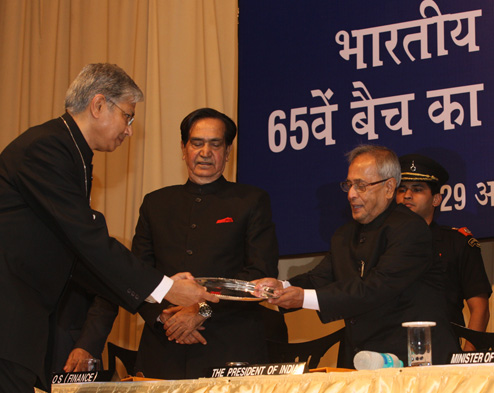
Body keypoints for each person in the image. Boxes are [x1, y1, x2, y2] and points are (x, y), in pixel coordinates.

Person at [0, 63, 218, 393]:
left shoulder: (70, 151)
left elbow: (77, 256)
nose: (129, 129)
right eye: (128, 116)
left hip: (5, 322)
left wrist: (155, 301)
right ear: (99, 105)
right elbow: (87, 240)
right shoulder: (47, 148)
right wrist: (164, 287)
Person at [254, 145, 460, 368]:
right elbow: (319, 278)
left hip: (412, 364)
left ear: (389, 187)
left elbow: (373, 289)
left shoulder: (411, 230)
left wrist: (303, 297)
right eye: (349, 185)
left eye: (361, 186)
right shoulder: (344, 235)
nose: (351, 194)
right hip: (362, 363)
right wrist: (280, 287)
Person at [132, 107, 279, 379]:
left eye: (215, 144)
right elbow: (137, 273)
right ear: (183, 147)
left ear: (228, 150)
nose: (205, 152)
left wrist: (202, 309)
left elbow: (259, 272)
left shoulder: (251, 200)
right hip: (164, 346)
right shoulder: (155, 203)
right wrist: (165, 318)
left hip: (230, 346)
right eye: (197, 143)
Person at [396, 154, 491, 350]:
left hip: (442, 353)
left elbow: (479, 308)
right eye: (402, 189)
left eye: (417, 189)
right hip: (389, 355)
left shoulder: (457, 243)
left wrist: (466, 361)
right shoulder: (381, 243)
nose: (407, 195)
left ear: (436, 199)